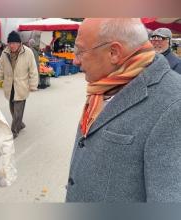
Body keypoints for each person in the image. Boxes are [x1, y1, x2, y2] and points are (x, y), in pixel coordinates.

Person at [65, 18, 181, 202]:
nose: (75, 61)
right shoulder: (105, 84)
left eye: (80, 51)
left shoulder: (174, 106)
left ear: (114, 52)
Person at [0, 31, 38, 139]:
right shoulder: (4, 53)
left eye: (14, 43)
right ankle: (20, 124)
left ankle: (14, 130)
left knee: (18, 110)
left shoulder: (28, 52)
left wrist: (33, 85)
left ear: (20, 43)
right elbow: (1, 71)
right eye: (10, 43)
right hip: (9, 86)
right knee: (12, 109)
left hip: (21, 86)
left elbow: (33, 70)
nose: (12, 45)